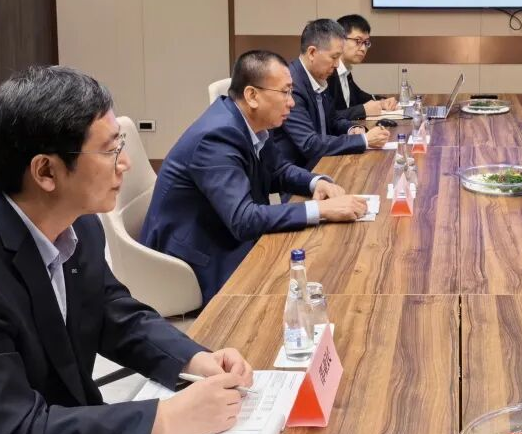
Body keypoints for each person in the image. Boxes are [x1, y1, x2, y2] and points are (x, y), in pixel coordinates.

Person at [0, 66, 256, 434]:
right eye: (111, 150)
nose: (125, 163)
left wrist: (194, 360)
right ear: (46, 172)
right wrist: (164, 418)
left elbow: (116, 314)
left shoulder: (78, 222)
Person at [142, 50, 367, 303]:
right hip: (197, 258)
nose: (291, 103)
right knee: (310, 286)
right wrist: (321, 209)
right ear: (252, 96)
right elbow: (244, 219)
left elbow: (278, 170)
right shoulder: (216, 138)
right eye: (285, 92)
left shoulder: (252, 123)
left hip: (224, 234)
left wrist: (317, 182)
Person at [273, 19, 390, 169]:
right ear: (312, 53)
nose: (337, 65)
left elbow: (332, 119)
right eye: (334, 57)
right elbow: (309, 143)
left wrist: (352, 129)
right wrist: (364, 140)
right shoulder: (291, 85)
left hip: (324, 162)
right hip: (300, 172)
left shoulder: (319, 76)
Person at [328, 14, 398, 119]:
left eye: (366, 43)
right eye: (358, 41)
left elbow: (360, 96)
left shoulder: (345, 72)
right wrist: (362, 110)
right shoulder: (327, 72)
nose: (363, 48)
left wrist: (382, 102)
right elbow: (328, 117)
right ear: (340, 39)